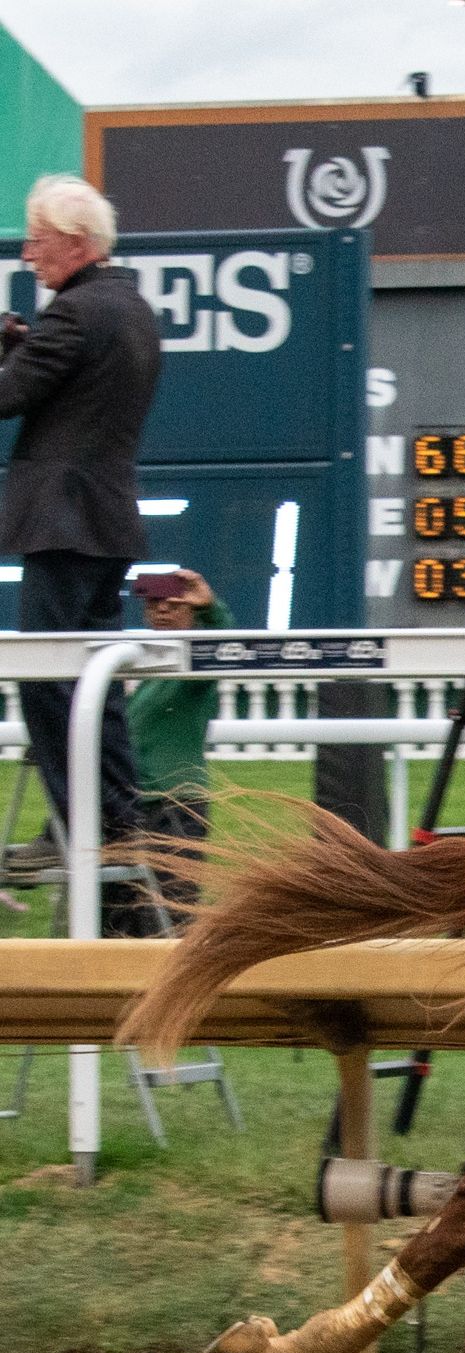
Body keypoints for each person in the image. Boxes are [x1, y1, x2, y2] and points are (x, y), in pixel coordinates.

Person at [0, 174, 159, 880]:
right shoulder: (130, 309)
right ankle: (124, 826)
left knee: (48, 680)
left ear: (73, 241)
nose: (28, 256)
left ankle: (77, 828)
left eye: (36, 241)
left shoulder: (74, 314)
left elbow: (10, 395)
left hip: (62, 523)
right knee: (99, 684)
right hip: (108, 522)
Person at [122, 569, 233, 919]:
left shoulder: (195, 669)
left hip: (178, 805)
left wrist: (212, 607)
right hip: (136, 807)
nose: (163, 610)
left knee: (173, 913)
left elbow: (226, 646)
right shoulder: (145, 679)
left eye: (174, 604)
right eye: (155, 604)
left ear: (192, 612)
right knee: (125, 914)